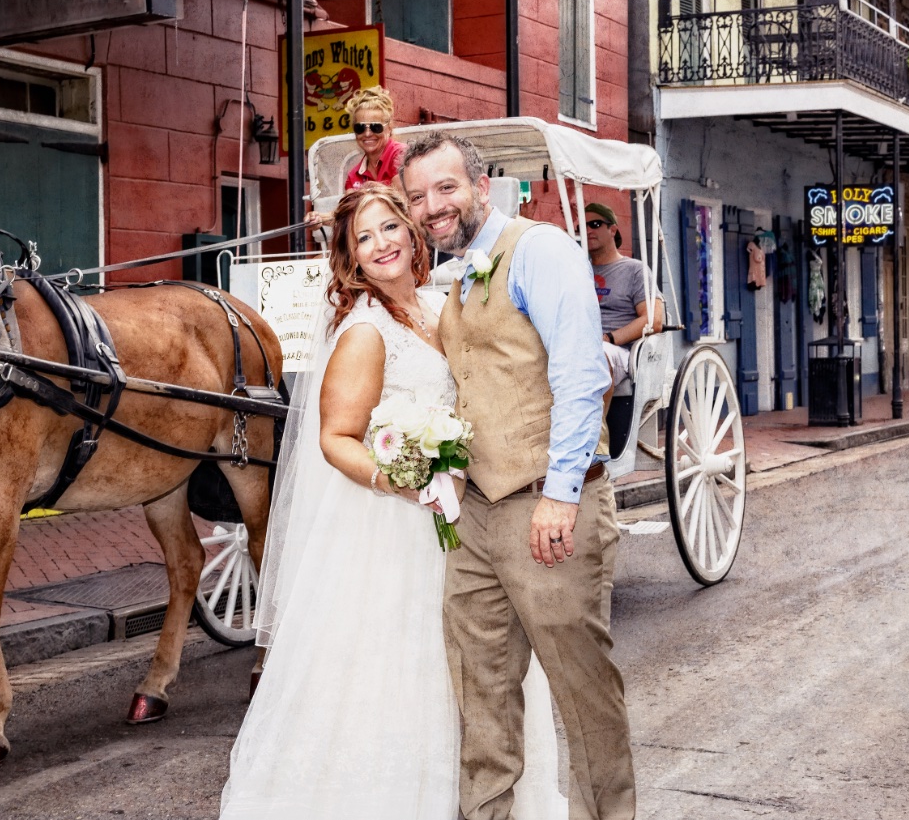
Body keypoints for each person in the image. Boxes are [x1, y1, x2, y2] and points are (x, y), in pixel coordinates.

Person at [219, 183, 565, 819]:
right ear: (350, 258)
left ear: (412, 233)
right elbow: (334, 438)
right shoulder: (365, 331)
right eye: (363, 238)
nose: (380, 245)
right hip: (392, 529)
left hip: (468, 518)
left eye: (388, 228)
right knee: (400, 670)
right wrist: (402, 477)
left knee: (482, 660)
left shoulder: (441, 308)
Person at [401, 133, 636, 820]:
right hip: (471, 513)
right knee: (480, 688)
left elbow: (579, 372)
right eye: (417, 196)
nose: (430, 206)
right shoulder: (459, 271)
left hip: (545, 504)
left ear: (481, 186)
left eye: (444, 188)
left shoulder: (538, 249)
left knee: (581, 687)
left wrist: (560, 496)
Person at [581, 202, 664, 387]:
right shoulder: (579, 271)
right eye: (581, 226)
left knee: (597, 356)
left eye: (594, 224)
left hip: (620, 351)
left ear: (613, 230)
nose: (587, 230)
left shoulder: (634, 270)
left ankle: (597, 417)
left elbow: (654, 319)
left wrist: (608, 338)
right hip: (581, 345)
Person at [304, 86, 405, 230]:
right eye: (360, 128)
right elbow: (347, 215)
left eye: (376, 127)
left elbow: (404, 204)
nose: (368, 134)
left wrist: (372, 191)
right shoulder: (354, 175)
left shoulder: (400, 155)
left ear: (389, 128)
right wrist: (320, 218)